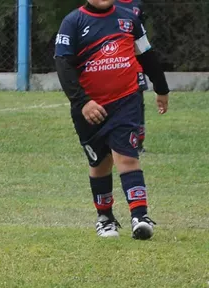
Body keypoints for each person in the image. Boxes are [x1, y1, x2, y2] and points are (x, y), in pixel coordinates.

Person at [55, 0, 170, 239]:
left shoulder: (129, 20)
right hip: (90, 107)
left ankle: (140, 216)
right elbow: (63, 65)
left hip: (126, 101)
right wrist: (83, 102)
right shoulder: (73, 22)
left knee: (126, 157)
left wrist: (161, 88)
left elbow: (147, 55)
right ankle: (105, 217)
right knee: (100, 163)